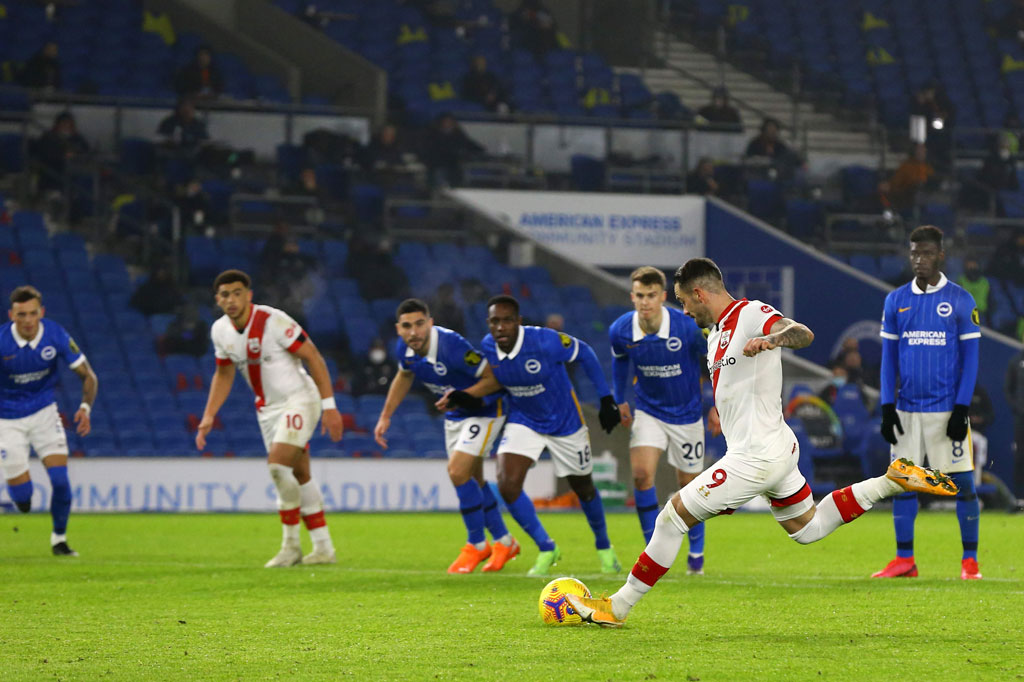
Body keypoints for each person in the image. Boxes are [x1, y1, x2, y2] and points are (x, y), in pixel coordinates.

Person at [564, 258, 957, 627]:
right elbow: (737, 384)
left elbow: (802, 332)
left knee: (671, 516)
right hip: (773, 449)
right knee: (809, 528)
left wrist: (774, 340)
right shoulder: (714, 333)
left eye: (684, 302)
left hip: (756, 456)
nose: (684, 311)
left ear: (700, 294)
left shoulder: (749, 314)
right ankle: (891, 480)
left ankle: (617, 607)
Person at [439, 295, 624, 575]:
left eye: (506, 321)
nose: (500, 327)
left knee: (583, 488)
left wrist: (606, 398)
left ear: (518, 322)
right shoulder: (489, 348)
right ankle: (547, 548)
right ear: (488, 324)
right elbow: (495, 385)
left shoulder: (545, 341)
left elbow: (584, 351)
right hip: (524, 420)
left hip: (565, 423)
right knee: (507, 485)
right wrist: (465, 398)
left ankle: (604, 547)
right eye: (494, 322)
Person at [195, 270, 344, 567]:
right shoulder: (220, 331)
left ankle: (290, 546)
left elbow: (313, 357)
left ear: (249, 295)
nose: (231, 299)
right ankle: (324, 548)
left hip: (299, 399)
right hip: (267, 409)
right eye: (225, 295)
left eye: (237, 292)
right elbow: (224, 373)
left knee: (277, 466)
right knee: (299, 474)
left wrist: (329, 406)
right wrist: (209, 414)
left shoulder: (273, 321)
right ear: (218, 299)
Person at [373, 299, 519, 573]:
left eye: (419, 324)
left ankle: (476, 543)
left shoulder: (452, 346)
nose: (413, 332)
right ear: (398, 329)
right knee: (472, 479)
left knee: (456, 472)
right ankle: (504, 540)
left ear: (429, 323)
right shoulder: (404, 349)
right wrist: (386, 415)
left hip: (485, 409)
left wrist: (461, 395)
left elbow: (493, 379)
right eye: (407, 326)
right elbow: (404, 376)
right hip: (456, 414)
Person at [875, 225, 982, 580]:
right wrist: (887, 406)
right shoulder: (896, 300)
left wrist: (962, 408)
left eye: (926, 254)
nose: (919, 260)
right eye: (914, 254)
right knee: (905, 484)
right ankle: (905, 560)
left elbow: (972, 360)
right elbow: (888, 358)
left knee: (963, 486)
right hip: (906, 411)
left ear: (940, 256)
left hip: (945, 412)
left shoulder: (962, 300)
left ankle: (969, 562)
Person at [609, 266, 708, 573]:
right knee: (641, 475)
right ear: (632, 296)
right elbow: (620, 363)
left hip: (687, 414)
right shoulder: (621, 330)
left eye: (651, 295)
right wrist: (619, 399)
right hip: (648, 412)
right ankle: (652, 549)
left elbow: (712, 363)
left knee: (688, 486)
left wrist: (717, 404)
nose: (645, 302)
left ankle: (696, 553)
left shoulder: (687, 328)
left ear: (663, 297)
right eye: (640, 295)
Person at [1, 286, 98, 556]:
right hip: (6, 420)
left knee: (60, 480)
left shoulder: (55, 335)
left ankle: (59, 539)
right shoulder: (1, 342)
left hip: (44, 413)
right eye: (22, 315)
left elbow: (89, 376)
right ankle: (21, 499)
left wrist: (85, 407)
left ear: (41, 313)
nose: (28, 320)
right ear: (12, 315)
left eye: (33, 314)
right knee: (23, 499)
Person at [33, 112, 91, 194]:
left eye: (69, 124)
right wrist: (63, 156)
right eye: (64, 123)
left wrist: (76, 155)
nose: (66, 126)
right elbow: (45, 155)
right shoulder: (48, 138)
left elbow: (86, 152)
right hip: (52, 177)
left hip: (74, 176)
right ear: (57, 125)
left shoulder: (78, 139)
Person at [423, 113, 485, 187]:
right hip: (438, 163)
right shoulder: (434, 134)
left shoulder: (457, 134)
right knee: (439, 178)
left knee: (457, 178)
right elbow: (431, 148)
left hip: (453, 163)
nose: (448, 124)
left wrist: (480, 149)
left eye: (450, 122)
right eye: (446, 122)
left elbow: (467, 143)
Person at [880, 143, 934, 214]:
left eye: (924, 151)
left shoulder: (927, 168)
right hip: (907, 196)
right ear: (914, 152)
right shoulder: (906, 167)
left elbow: (932, 181)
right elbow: (896, 184)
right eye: (920, 151)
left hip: (926, 195)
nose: (922, 153)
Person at [1005, 328, 1024, 500]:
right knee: (1020, 456)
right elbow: (1008, 390)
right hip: (1021, 419)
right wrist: (1017, 407)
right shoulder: (1016, 361)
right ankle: (1019, 498)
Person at [956, 258, 991, 327]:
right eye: (969, 267)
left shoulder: (985, 282)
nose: (972, 269)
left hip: (981, 314)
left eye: (974, 266)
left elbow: (991, 300)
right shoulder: (961, 281)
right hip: (965, 314)